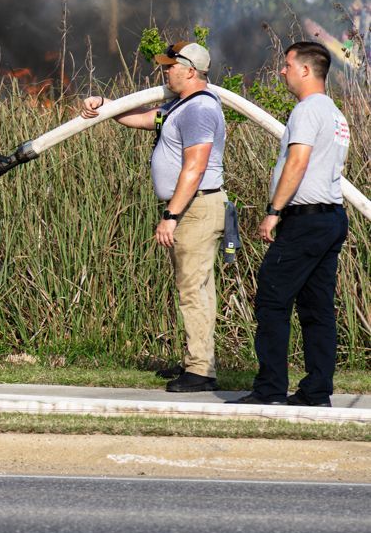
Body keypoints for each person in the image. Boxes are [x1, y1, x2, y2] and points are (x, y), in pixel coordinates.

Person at [81, 41, 227, 393]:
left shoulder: (199, 109)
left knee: (192, 289)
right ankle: (198, 361)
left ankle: (200, 371)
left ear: (190, 71)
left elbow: (195, 168)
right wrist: (105, 104)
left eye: (170, 67)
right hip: (191, 207)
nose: (164, 71)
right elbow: (140, 118)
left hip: (195, 208)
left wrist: (171, 215)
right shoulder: (180, 105)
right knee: (195, 287)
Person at [230, 42, 350, 407]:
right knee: (317, 308)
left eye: (287, 65)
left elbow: (298, 162)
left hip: (306, 220)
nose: (282, 71)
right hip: (331, 218)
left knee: (271, 299)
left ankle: (269, 389)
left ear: (306, 70)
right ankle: (317, 391)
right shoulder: (335, 114)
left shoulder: (307, 110)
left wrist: (273, 211)